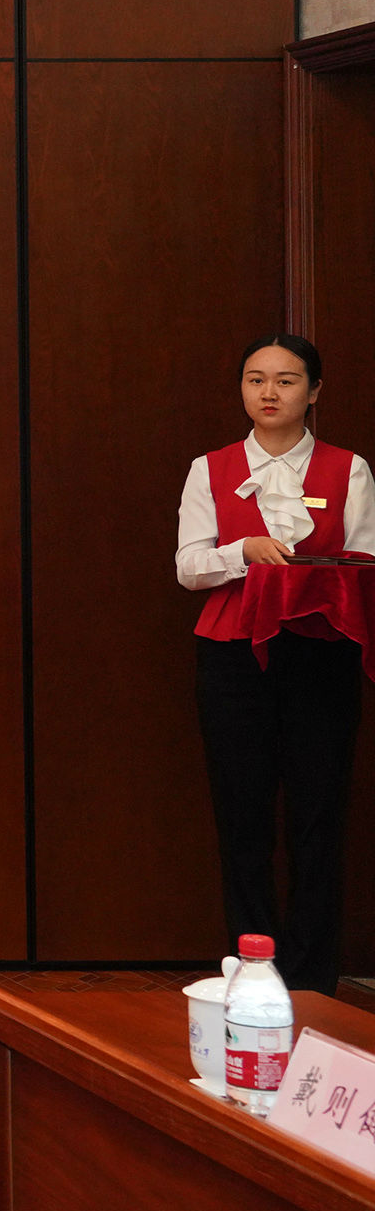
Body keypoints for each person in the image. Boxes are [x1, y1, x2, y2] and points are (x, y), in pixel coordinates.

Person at [177, 333, 374, 995]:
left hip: (322, 652)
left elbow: (365, 564)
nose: (269, 392)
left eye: (286, 381)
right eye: (255, 379)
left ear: (313, 392)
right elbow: (188, 567)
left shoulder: (349, 469)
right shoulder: (210, 468)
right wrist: (243, 552)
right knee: (243, 813)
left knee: (319, 814)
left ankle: (314, 979)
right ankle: (250, 969)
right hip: (234, 655)